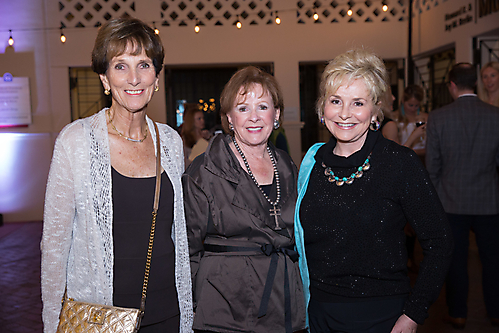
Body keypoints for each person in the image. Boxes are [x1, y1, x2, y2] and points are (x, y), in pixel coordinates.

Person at [41, 17, 193, 333]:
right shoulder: (76, 141)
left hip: (167, 313)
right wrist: (51, 323)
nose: (134, 78)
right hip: (100, 316)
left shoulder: (172, 143)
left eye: (144, 65)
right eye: (120, 66)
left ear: (157, 76)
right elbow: (54, 247)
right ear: (105, 78)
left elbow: (179, 236)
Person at [294, 49, 453, 333]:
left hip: (383, 318)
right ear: (322, 107)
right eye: (335, 101)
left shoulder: (399, 163)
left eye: (357, 102)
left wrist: (414, 313)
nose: (344, 113)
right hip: (318, 314)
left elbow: (440, 242)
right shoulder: (311, 164)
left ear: (375, 110)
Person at [182, 66, 306, 333]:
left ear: (277, 115)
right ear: (229, 117)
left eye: (262, 106)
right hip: (226, 310)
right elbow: (187, 252)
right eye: (242, 108)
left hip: (285, 305)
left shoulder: (288, 165)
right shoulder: (203, 172)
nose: (254, 118)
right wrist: (195, 303)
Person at [426, 62, 499, 329]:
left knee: (455, 259)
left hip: (451, 201)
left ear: (453, 86)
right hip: (490, 201)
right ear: (476, 84)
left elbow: (433, 168)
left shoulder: (439, 117)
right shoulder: (495, 115)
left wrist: (431, 208)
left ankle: (457, 312)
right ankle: (496, 311)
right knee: (493, 260)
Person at [397, 85, 427, 160]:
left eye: (416, 105)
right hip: (403, 159)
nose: (413, 109)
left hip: (422, 159)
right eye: (410, 105)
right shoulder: (395, 118)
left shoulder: (425, 118)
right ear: (403, 100)